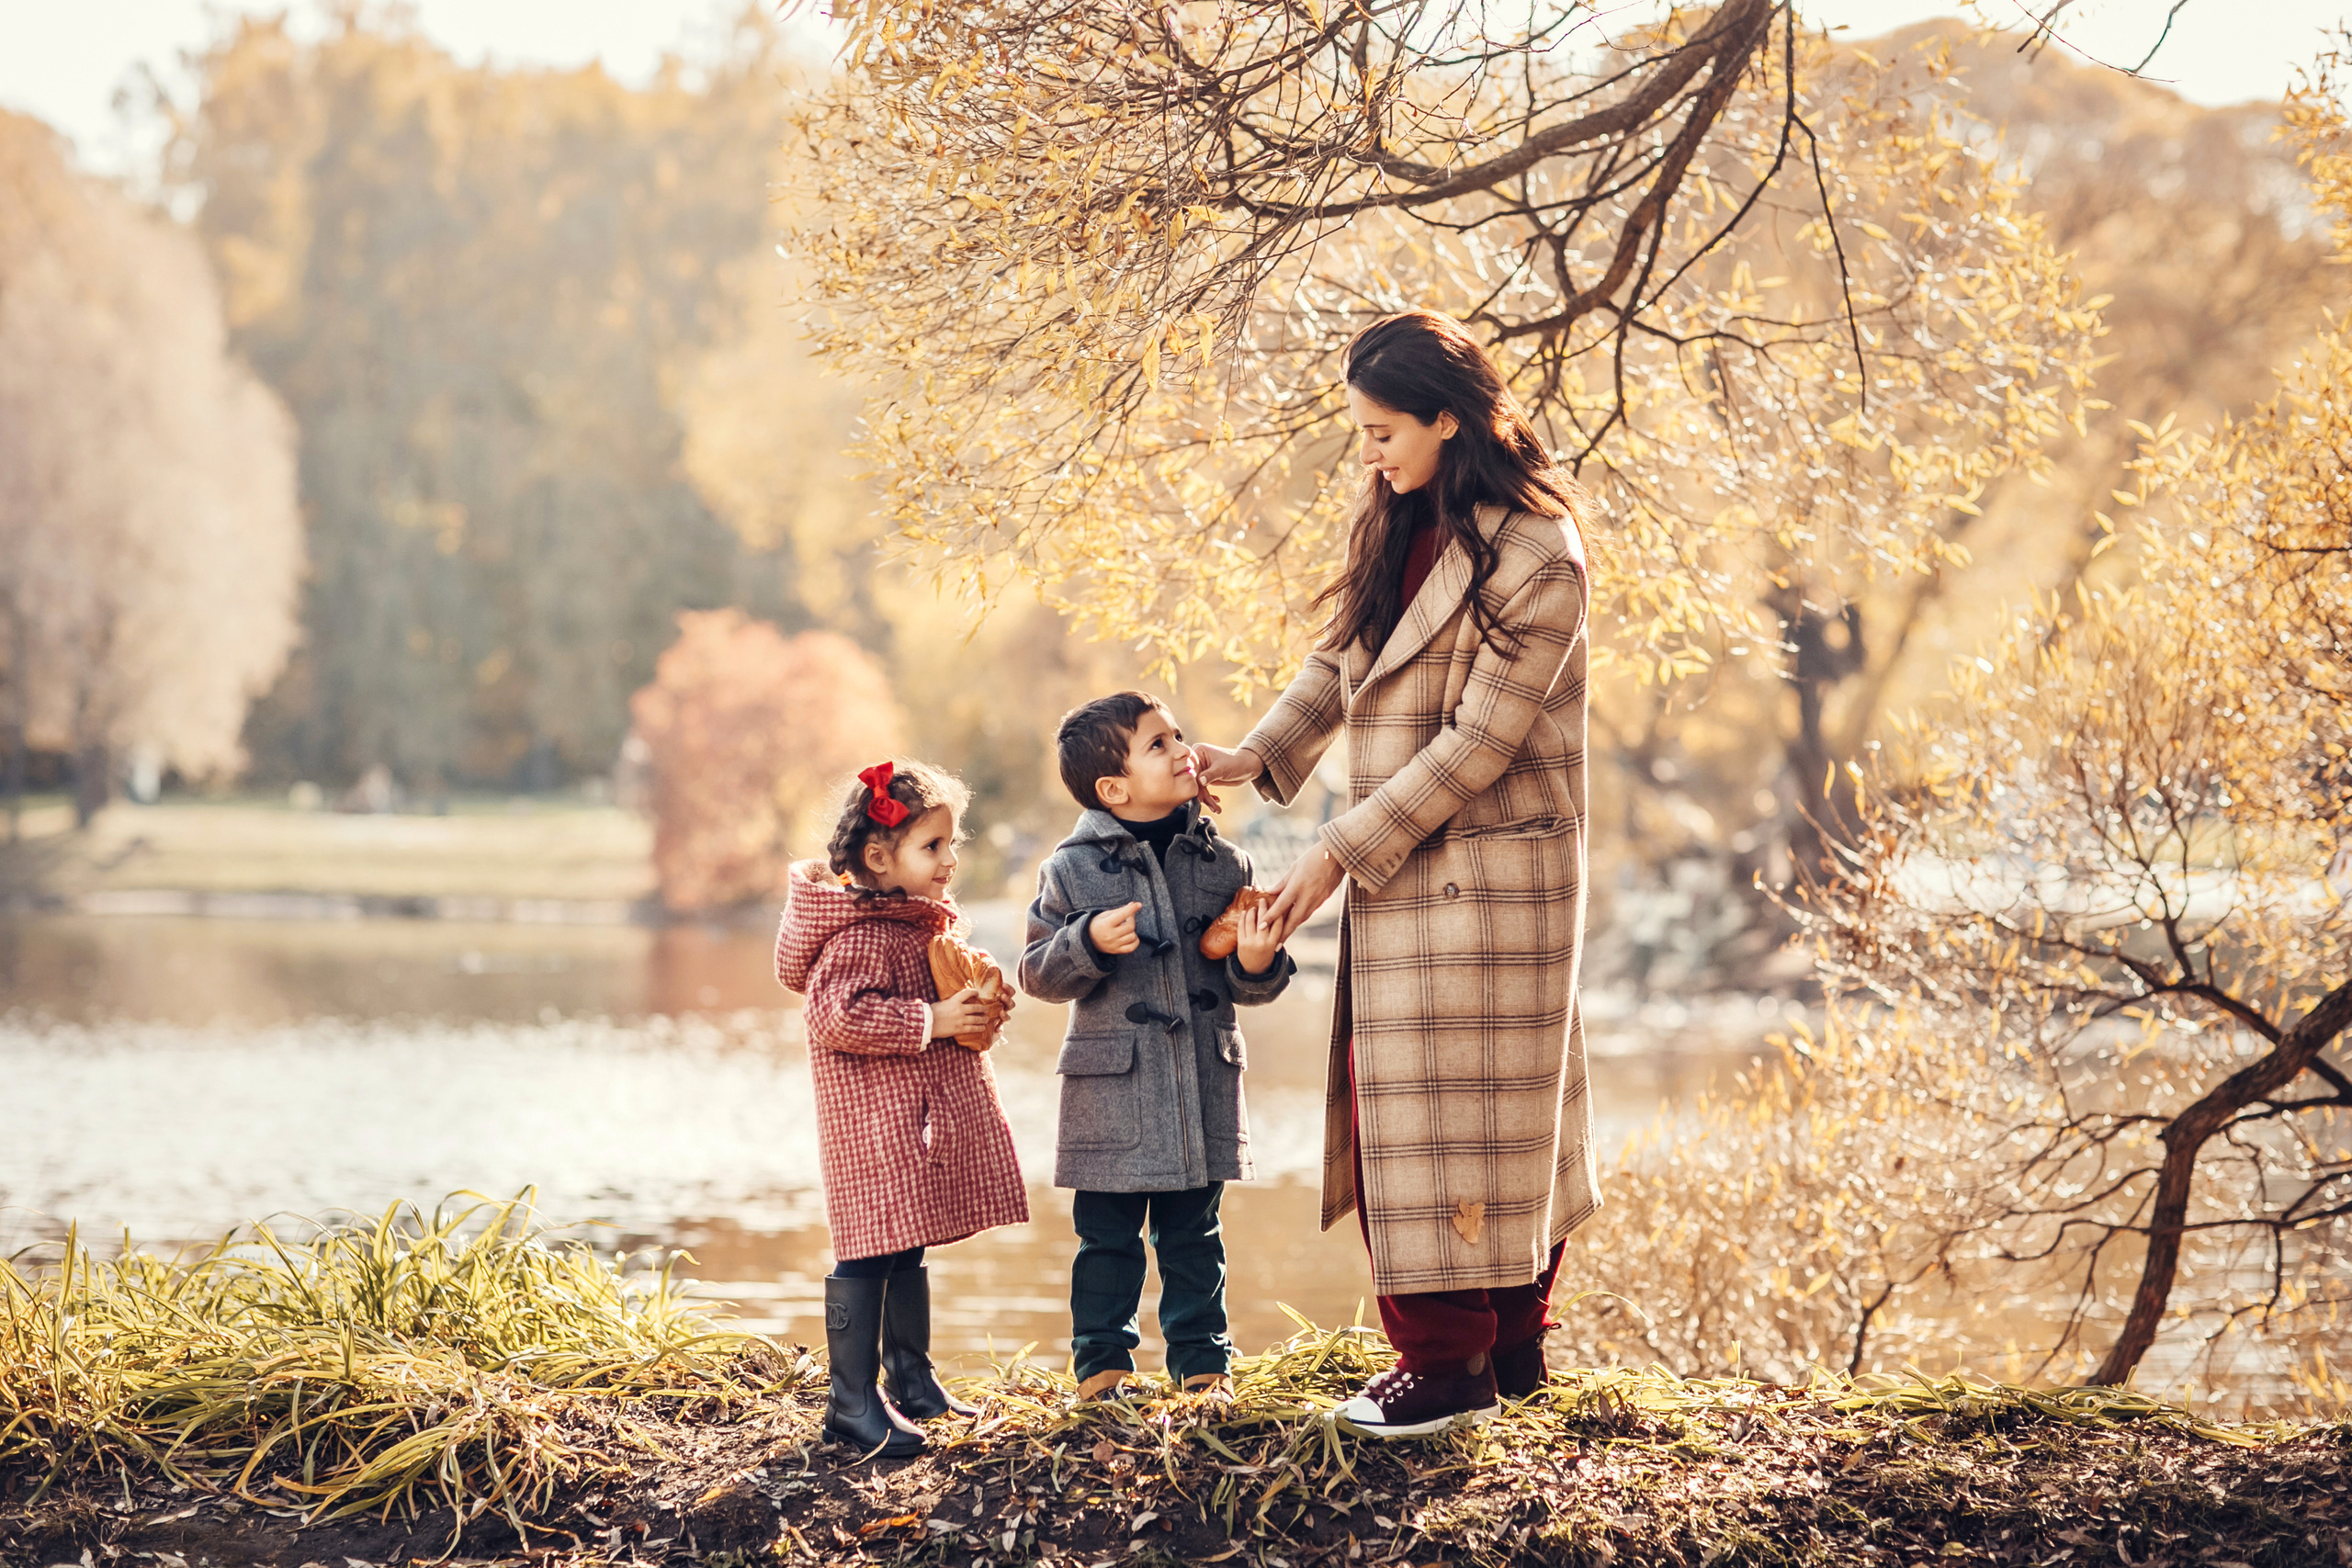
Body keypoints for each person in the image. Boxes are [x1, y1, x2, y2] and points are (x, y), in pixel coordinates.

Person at [1193, 309, 1600, 1438]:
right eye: (1361, 432)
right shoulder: (1403, 511)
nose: (1368, 453)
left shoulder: (1540, 554)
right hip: (1408, 861)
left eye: (1382, 432)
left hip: (1497, 880)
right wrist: (1254, 756)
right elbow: (1344, 652)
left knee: (1476, 1117)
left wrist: (1334, 850)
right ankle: (1493, 1354)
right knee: (1424, 1110)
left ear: (1446, 419)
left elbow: (1478, 744)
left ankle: (1455, 1366)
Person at [1018, 692, 1295, 1402]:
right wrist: (1086, 940)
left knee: (1195, 1235)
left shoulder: (1224, 863)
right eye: (1157, 743)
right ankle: (1101, 1368)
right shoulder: (1070, 869)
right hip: (1113, 1092)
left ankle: (1204, 1368)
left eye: (1178, 734)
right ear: (1114, 788)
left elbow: (1247, 984)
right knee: (1106, 1239)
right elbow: (1037, 973)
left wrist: (1256, 962)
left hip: (1200, 1081)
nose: (1181, 750)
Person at [774, 758, 1029, 1457]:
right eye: (932, 845)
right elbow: (835, 1016)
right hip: (871, 1130)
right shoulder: (861, 935)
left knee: (905, 1243)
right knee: (868, 1252)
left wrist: (975, 1007)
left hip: (908, 1125)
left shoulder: (915, 927)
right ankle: (851, 1403)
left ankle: (911, 1379)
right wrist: (933, 1019)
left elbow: (943, 1002)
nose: (950, 859)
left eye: (953, 842)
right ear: (880, 858)